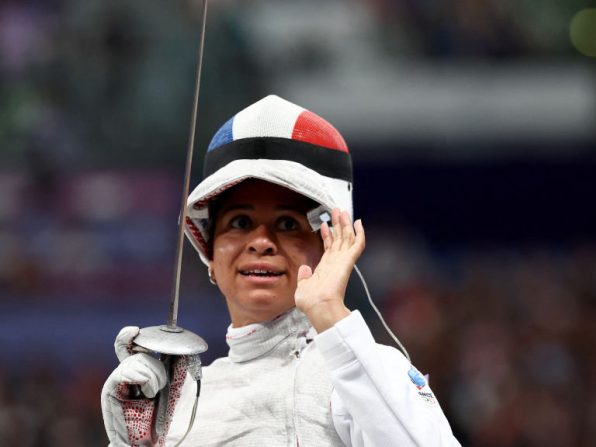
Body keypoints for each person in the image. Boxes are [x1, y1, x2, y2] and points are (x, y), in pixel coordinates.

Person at [100, 95, 461, 446]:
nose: (261, 242)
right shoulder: (179, 407)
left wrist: (329, 314)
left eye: (288, 224)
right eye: (240, 221)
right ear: (209, 253)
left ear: (331, 245)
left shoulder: (364, 372)